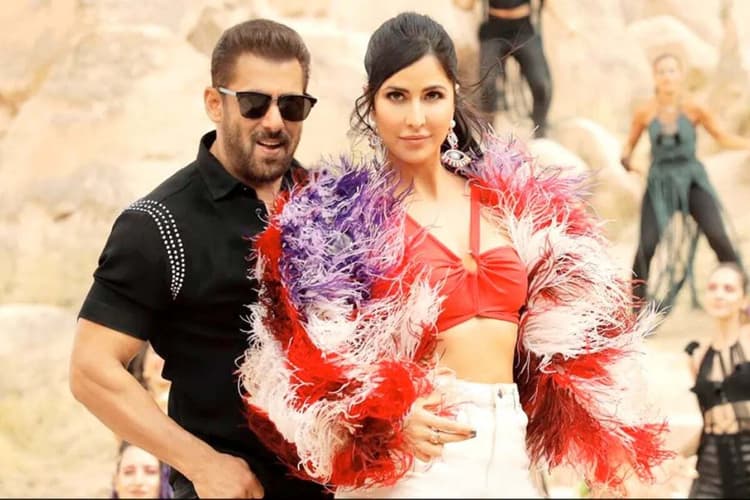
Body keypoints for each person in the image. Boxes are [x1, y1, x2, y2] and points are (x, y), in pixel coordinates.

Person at [239, 12, 671, 499]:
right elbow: (300, 364)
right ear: (371, 102)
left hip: (510, 453)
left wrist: (612, 454)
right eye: (396, 96)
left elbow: (582, 344)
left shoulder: (514, 206)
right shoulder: (338, 224)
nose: (416, 118)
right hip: (413, 466)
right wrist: (380, 418)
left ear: (453, 96)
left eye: (432, 95)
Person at [69, 19, 330, 499]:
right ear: (214, 103)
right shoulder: (159, 223)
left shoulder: (329, 203)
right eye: (254, 103)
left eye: (292, 105)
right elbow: (91, 370)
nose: (275, 121)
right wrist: (202, 464)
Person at [621, 53, 750, 314]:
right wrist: (635, 166)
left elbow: (722, 137)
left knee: (718, 236)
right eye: (662, 72)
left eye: (672, 71)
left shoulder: (694, 108)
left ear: (681, 75)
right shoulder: (645, 112)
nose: (667, 76)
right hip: (659, 186)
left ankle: (744, 297)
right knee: (647, 245)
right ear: (654, 77)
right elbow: (627, 151)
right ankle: (635, 309)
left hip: (692, 181)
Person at [684, 263, 750, 497]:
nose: (719, 294)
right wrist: (675, 456)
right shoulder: (697, 356)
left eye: (728, 288)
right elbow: (709, 424)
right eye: (712, 287)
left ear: (744, 300)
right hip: (710, 466)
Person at [453, 0, 553, 137]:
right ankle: (488, 134)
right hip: (494, 31)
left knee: (541, 83)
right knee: (487, 83)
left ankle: (540, 131)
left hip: (524, 30)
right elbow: (465, 5)